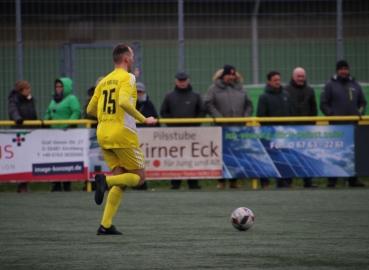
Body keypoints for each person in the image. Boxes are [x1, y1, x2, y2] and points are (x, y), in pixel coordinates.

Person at [87, 43, 155, 235]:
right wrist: (144, 119)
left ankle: (105, 225)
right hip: (122, 134)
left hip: (103, 134)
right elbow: (124, 102)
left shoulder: (104, 81)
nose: (133, 60)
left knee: (122, 181)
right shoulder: (128, 77)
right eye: (132, 56)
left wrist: (106, 116)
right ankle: (104, 183)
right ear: (126, 58)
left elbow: (91, 109)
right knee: (140, 178)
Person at [204, 65, 253, 189]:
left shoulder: (241, 89)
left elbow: (249, 105)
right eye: (228, 75)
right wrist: (219, 117)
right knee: (222, 154)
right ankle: (221, 181)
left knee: (236, 154)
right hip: (221, 129)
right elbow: (208, 103)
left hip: (237, 128)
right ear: (222, 76)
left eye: (232, 75)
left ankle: (233, 181)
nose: (230, 77)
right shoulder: (213, 89)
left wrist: (245, 117)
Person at [320, 60, 367, 188]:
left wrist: (360, 114)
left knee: (352, 152)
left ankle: (353, 180)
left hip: (353, 125)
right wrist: (331, 115)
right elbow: (323, 104)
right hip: (336, 126)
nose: (344, 71)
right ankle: (332, 180)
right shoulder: (329, 85)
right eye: (341, 69)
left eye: (345, 68)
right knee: (334, 153)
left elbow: (363, 102)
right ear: (337, 70)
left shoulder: (355, 84)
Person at [160, 71, 204, 190]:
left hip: (192, 134)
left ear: (188, 81)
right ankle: (175, 183)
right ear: (176, 82)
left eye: (184, 80)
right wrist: (171, 125)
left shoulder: (195, 95)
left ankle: (193, 183)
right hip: (175, 134)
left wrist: (196, 123)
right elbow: (163, 111)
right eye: (180, 80)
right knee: (175, 157)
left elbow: (201, 111)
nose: (182, 82)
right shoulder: (169, 96)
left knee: (192, 157)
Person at [257, 71, 293, 188]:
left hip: (285, 134)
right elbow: (260, 115)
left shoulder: (286, 95)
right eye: (275, 80)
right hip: (270, 134)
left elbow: (291, 114)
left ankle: (284, 183)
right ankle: (265, 183)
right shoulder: (264, 97)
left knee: (285, 158)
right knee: (268, 158)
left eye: (279, 79)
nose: (278, 82)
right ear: (269, 81)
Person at [44, 77, 82, 192]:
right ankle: (55, 184)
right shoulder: (54, 100)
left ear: (66, 87)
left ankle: (66, 183)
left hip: (67, 133)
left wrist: (67, 124)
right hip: (54, 133)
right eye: (56, 86)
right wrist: (46, 121)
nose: (58, 89)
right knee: (54, 158)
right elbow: (48, 112)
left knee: (66, 158)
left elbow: (77, 112)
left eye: (60, 86)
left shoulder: (71, 99)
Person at [284, 67, 318, 188]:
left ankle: (308, 181)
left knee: (307, 155)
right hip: (290, 129)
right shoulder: (286, 90)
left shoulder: (310, 90)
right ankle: (287, 181)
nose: (301, 78)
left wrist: (312, 126)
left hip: (306, 129)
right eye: (298, 76)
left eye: (302, 76)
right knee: (289, 155)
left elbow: (314, 109)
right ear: (293, 77)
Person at [8, 80, 38, 193]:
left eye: (29, 88)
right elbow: (13, 111)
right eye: (26, 88)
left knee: (28, 158)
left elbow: (32, 113)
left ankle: (24, 184)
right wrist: (18, 119)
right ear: (20, 90)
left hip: (29, 132)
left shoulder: (29, 100)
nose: (29, 90)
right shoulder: (14, 100)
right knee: (20, 159)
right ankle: (21, 184)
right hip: (19, 133)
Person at [133, 81, 160, 190]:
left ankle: (141, 183)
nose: (139, 94)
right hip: (133, 136)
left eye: (141, 92)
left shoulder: (149, 104)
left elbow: (156, 119)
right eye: (137, 92)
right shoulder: (131, 103)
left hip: (147, 138)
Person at [82, 77, 104, 191]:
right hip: (94, 135)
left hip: (107, 133)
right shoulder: (92, 98)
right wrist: (101, 115)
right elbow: (86, 113)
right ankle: (92, 183)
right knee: (94, 159)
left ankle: (108, 182)